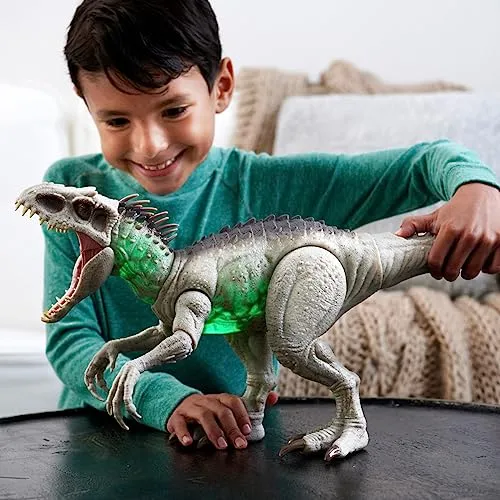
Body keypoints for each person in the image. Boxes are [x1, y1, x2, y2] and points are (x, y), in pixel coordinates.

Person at [42, 0, 500, 452]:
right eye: (117, 120)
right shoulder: (76, 194)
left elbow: (430, 161)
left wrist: (478, 190)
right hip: (102, 434)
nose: (150, 145)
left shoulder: (271, 184)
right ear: (87, 105)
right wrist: (165, 400)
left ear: (221, 87)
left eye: (174, 110)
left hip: (234, 441)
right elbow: (71, 339)